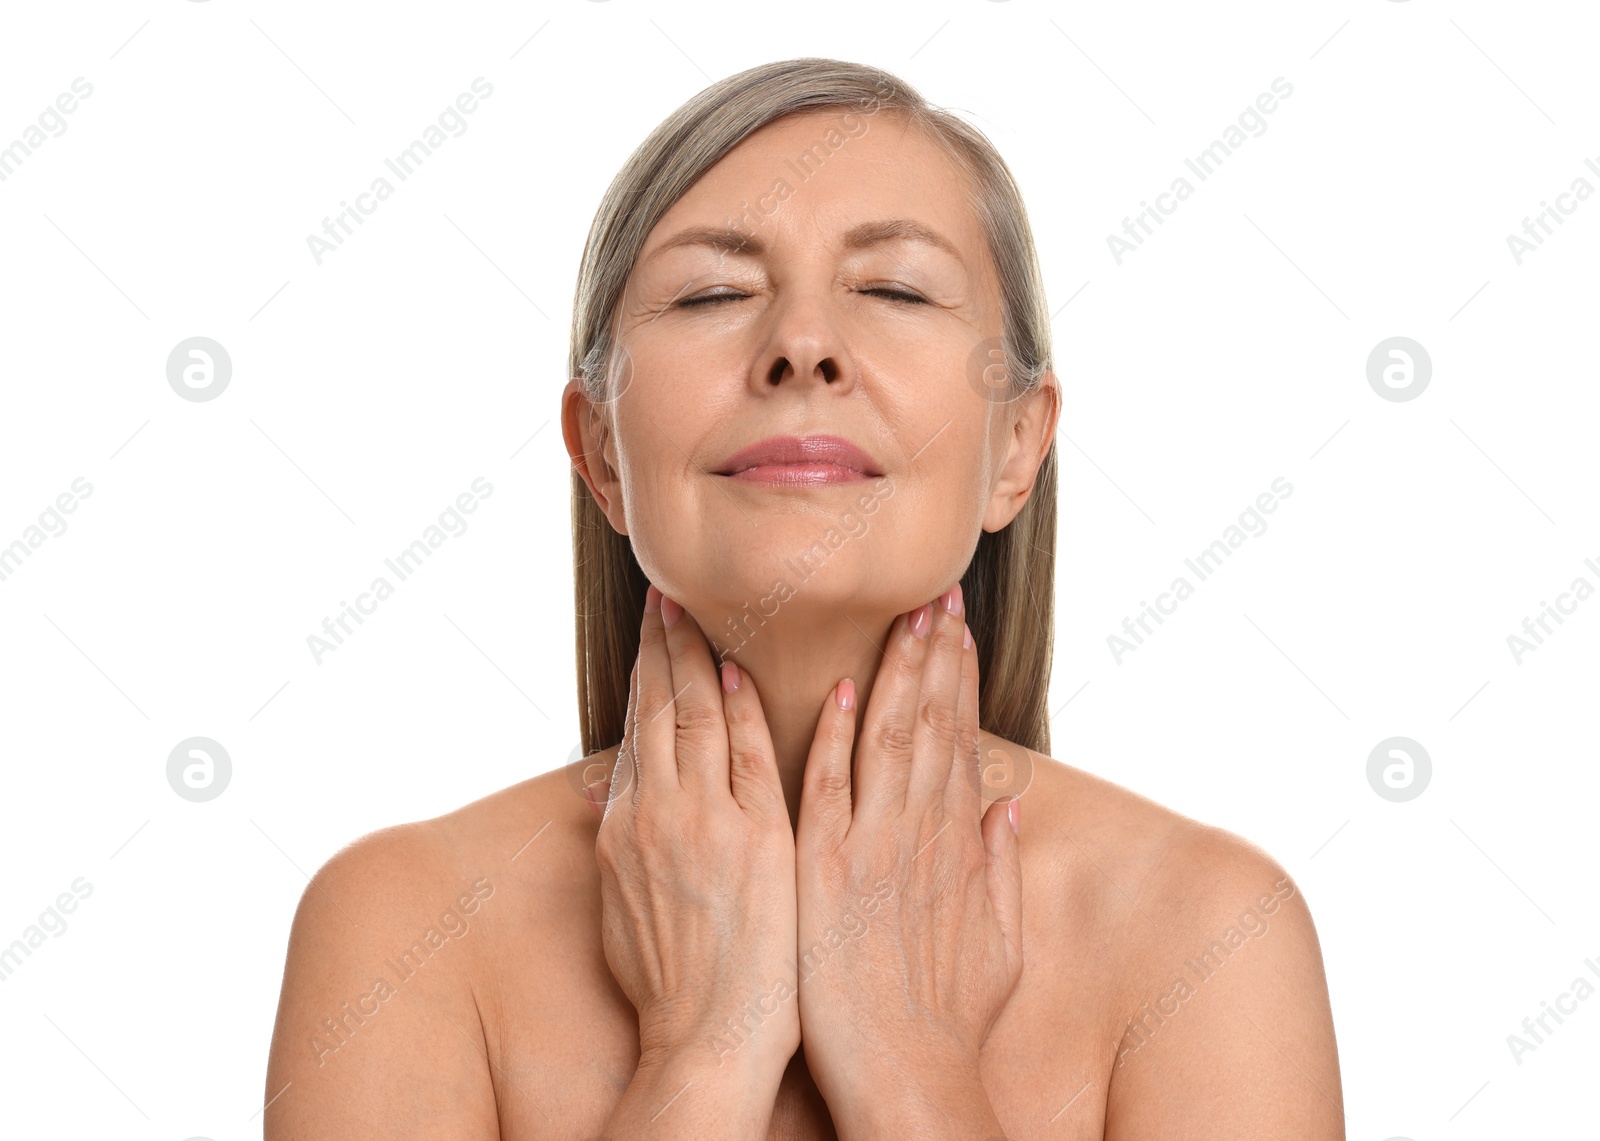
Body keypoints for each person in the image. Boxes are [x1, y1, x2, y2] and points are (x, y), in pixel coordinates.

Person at [265, 57, 1343, 1140]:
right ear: (598, 450)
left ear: (1017, 445)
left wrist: (907, 1057)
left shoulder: (1208, 931)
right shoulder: (398, 926)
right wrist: (703, 1047)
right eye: (713, 294)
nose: (802, 346)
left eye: (893, 289)